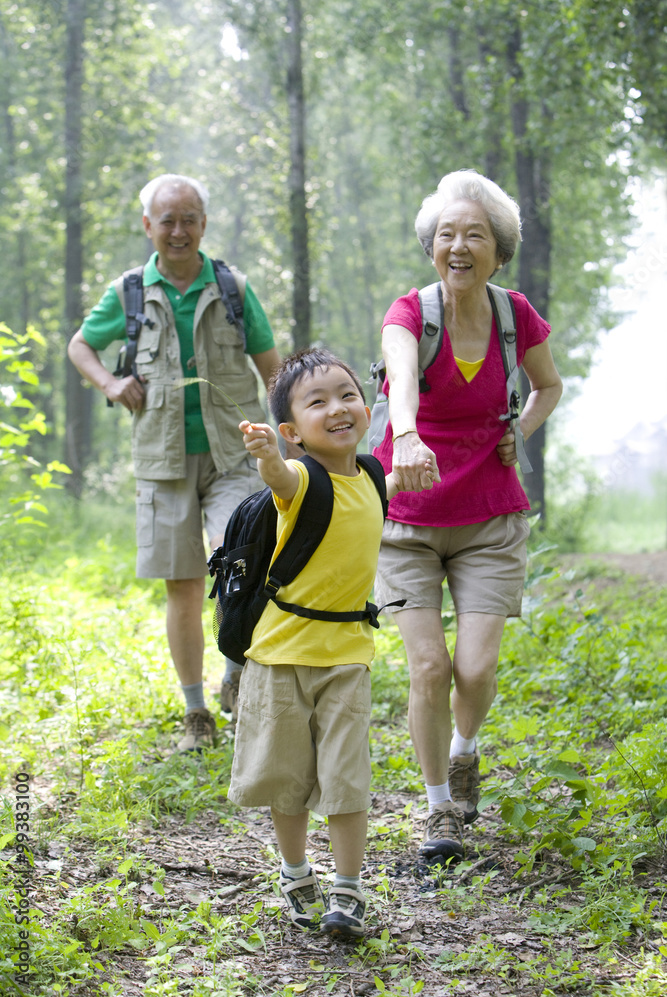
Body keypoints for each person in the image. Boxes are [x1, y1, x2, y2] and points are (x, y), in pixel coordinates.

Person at [373, 169, 563, 862]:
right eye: (446, 235)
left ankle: (463, 752)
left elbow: (547, 386)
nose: (459, 246)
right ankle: (437, 810)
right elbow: (398, 380)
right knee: (427, 668)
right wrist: (409, 435)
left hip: (488, 517)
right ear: (431, 247)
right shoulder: (409, 314)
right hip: (405, 520)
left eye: (474, 235)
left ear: (497, 250)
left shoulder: (515, 316)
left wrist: (522, 430)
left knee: (474, 670)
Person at [67, 173, 282, 752]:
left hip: (233, 452)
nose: (179, 230)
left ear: (204, 225)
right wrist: (112, 383)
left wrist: (291, 433)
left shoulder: (233, 287)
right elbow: (79, 346)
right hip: (162, 460)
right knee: (183, 585)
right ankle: (196, 712)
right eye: (168, 220)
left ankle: (236, 674)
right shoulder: (130, 292)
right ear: (148, 226)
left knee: (243, 562)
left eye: (189, 219)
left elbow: (273, 367)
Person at [226, 347, 434, 937]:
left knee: (347, 781)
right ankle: (296, 875)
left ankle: (347, 892)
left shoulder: (371, 475)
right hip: (279, 659)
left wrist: (414, 464)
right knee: (286, 780)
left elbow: (377, 492)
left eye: (347, 395)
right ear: (294, 430)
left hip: (347, 660)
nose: (338, 408)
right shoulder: (298, 479)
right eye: (317, 402)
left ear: (365, 407)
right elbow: (280, 479)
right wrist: (270, 455)